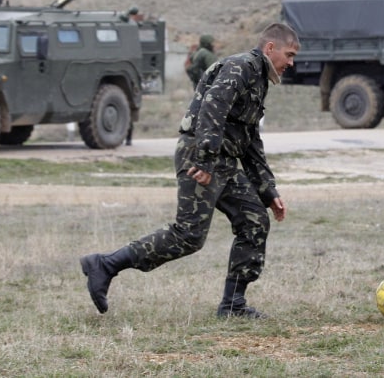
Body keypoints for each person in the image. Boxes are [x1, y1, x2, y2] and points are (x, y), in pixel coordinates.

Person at [80, 23, 300, 318]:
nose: (291, 63)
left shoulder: (258, 78)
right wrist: (206, 161)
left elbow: (249, 139)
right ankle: (105, 264)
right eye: (289, 54)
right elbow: (212, 109)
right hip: (200, 158)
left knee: (254, 222)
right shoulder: (241, 67)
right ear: (270, 48)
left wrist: (268, 190)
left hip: (222, 162)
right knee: (188, 236)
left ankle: (233, 305)